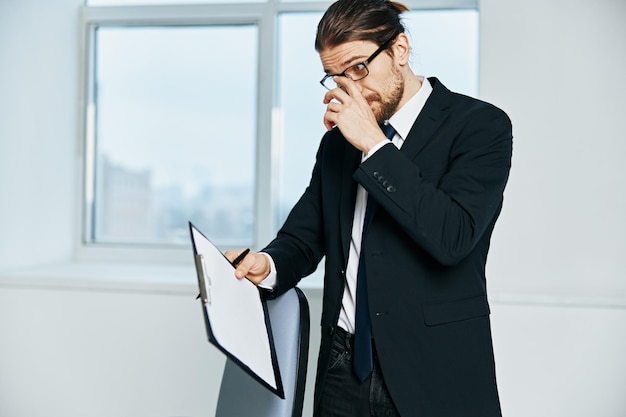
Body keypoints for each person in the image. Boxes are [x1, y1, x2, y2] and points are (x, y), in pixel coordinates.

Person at [225, 0, 512, 415]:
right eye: (336, 77)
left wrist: (375, 146)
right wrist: (267, 265)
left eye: (359, 68)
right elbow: (304, 237)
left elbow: (452, 237)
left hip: (433, 370)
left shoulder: (480, 126)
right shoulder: (338, 142)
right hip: (343, 368)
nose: (351, 89)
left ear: (399, 50)